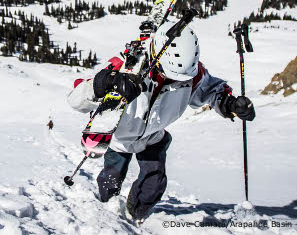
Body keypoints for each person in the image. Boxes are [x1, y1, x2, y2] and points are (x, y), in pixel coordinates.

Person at [80, 21, 255, 222]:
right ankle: (107, 215)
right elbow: (78, 95)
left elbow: (210, 89)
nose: (176, 82)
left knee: (153, 186)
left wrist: (230, 103)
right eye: (171, 76)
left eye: (181, 79)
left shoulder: (191, 73)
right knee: (110, 183)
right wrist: (100, 84)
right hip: (119, 138)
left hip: (153, 136)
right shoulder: (126, 66)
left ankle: (135, 218)